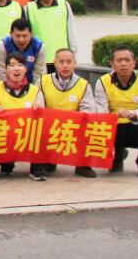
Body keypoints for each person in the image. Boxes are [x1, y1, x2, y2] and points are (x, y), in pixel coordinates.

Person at [94, 45, 138, 178]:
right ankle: (117, 157)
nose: (123, 64)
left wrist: (131, 114)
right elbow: (101, 111)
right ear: (112, 64)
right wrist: (115, 115)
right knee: (99, 128)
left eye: (127, 60)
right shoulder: (102, 82)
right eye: (119, 60)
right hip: (115, 124)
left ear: (133, 63)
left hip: (136, 124)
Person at [38, 48, 97, 178]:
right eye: (61, 62)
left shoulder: (83, 84)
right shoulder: (43, 81)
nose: (65, 65)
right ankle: (46, 161)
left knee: (90, 127)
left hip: (72, 126)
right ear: (55, 63)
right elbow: (38, 104)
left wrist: (74, 120)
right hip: (50, 125)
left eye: (69, 62)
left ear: (75, 64)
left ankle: (83, 165)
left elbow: (88, 110)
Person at [0, 52, 46, 180]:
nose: (16, 68)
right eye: (12, 65)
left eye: (20, 65)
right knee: (6, 163)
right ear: (6, 68)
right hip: (3, 134)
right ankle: (6, 163)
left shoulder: (35, 91)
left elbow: (43, 115)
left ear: (26, 68)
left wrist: (39, 108)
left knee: (41, 132)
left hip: (26, 134)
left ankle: (36, 169)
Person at [26, 0, 78, 71]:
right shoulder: (28, 8)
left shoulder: (64, 5)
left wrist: (73, 53)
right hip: (39, 60)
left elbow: (71, 30)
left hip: (62, 60)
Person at [0, 18, 45, 84]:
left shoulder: (39, 46)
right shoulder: (3, 46)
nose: (21, 39)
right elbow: (0, 74)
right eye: (17, 36)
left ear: (31, 34)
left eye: (25, 36)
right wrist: (5, 89)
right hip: (8, 84)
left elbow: (39, 74)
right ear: (11, 34)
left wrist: (34, 90)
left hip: (30, 84)